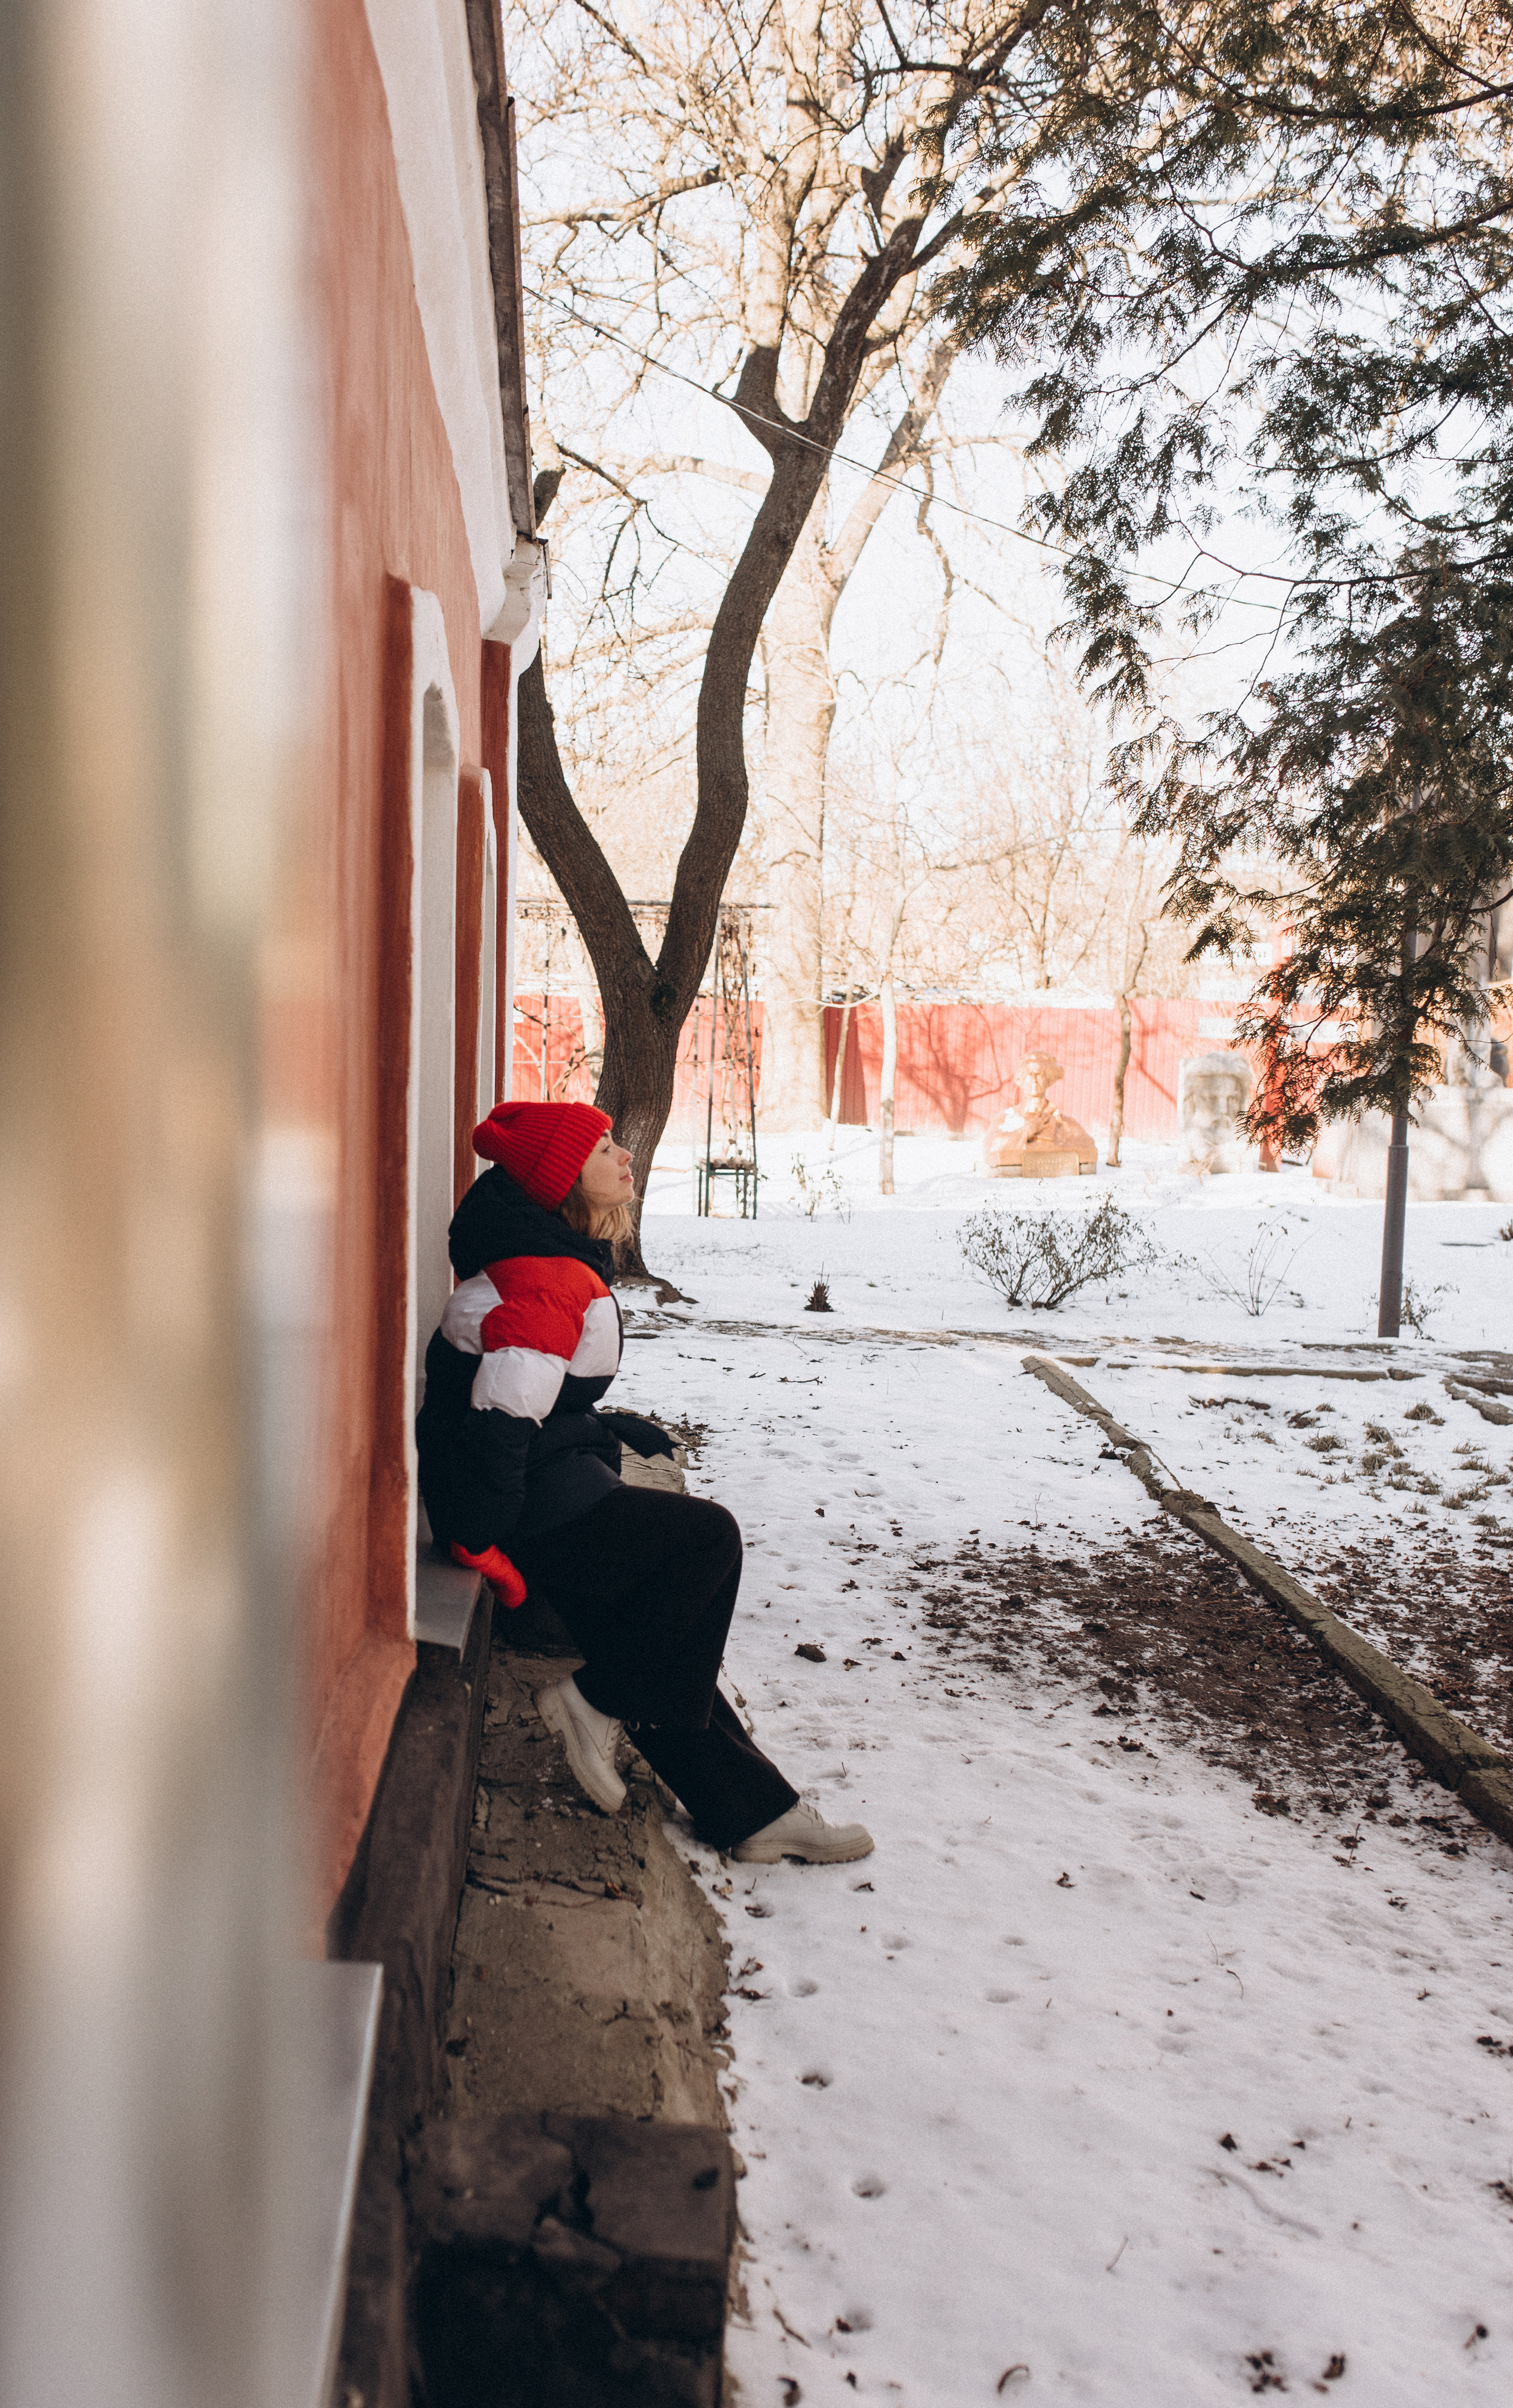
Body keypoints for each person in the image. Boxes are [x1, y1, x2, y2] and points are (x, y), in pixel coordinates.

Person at [416, 1098, 873, 1865]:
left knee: (655, 1645)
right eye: (602, 1150)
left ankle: (754, 1812)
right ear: (563, 1183)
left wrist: (606, 1428)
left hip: (544, 1484)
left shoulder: (548, 1261)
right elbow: (497, 1421)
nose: (624, 1156)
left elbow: (529, 1395)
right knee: (707, 1542)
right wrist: (480, 1543)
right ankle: (592, 1703)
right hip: (521, 1511)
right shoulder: (549, 1280)